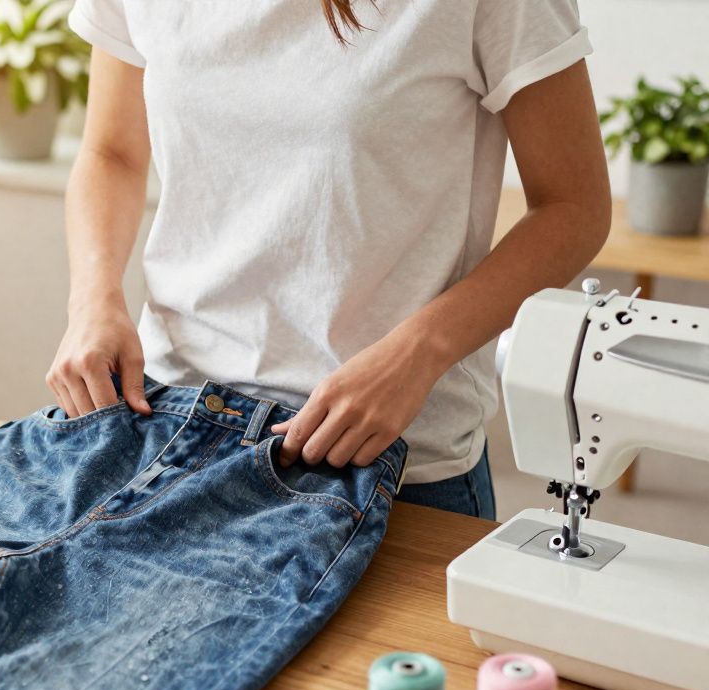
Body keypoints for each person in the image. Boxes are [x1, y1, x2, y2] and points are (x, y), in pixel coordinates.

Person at [48, 0, 611, 520]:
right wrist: (92, 303)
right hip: (170, 411)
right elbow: (112, 152)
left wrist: (416, 354)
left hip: (383, 455)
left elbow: (573, 206)